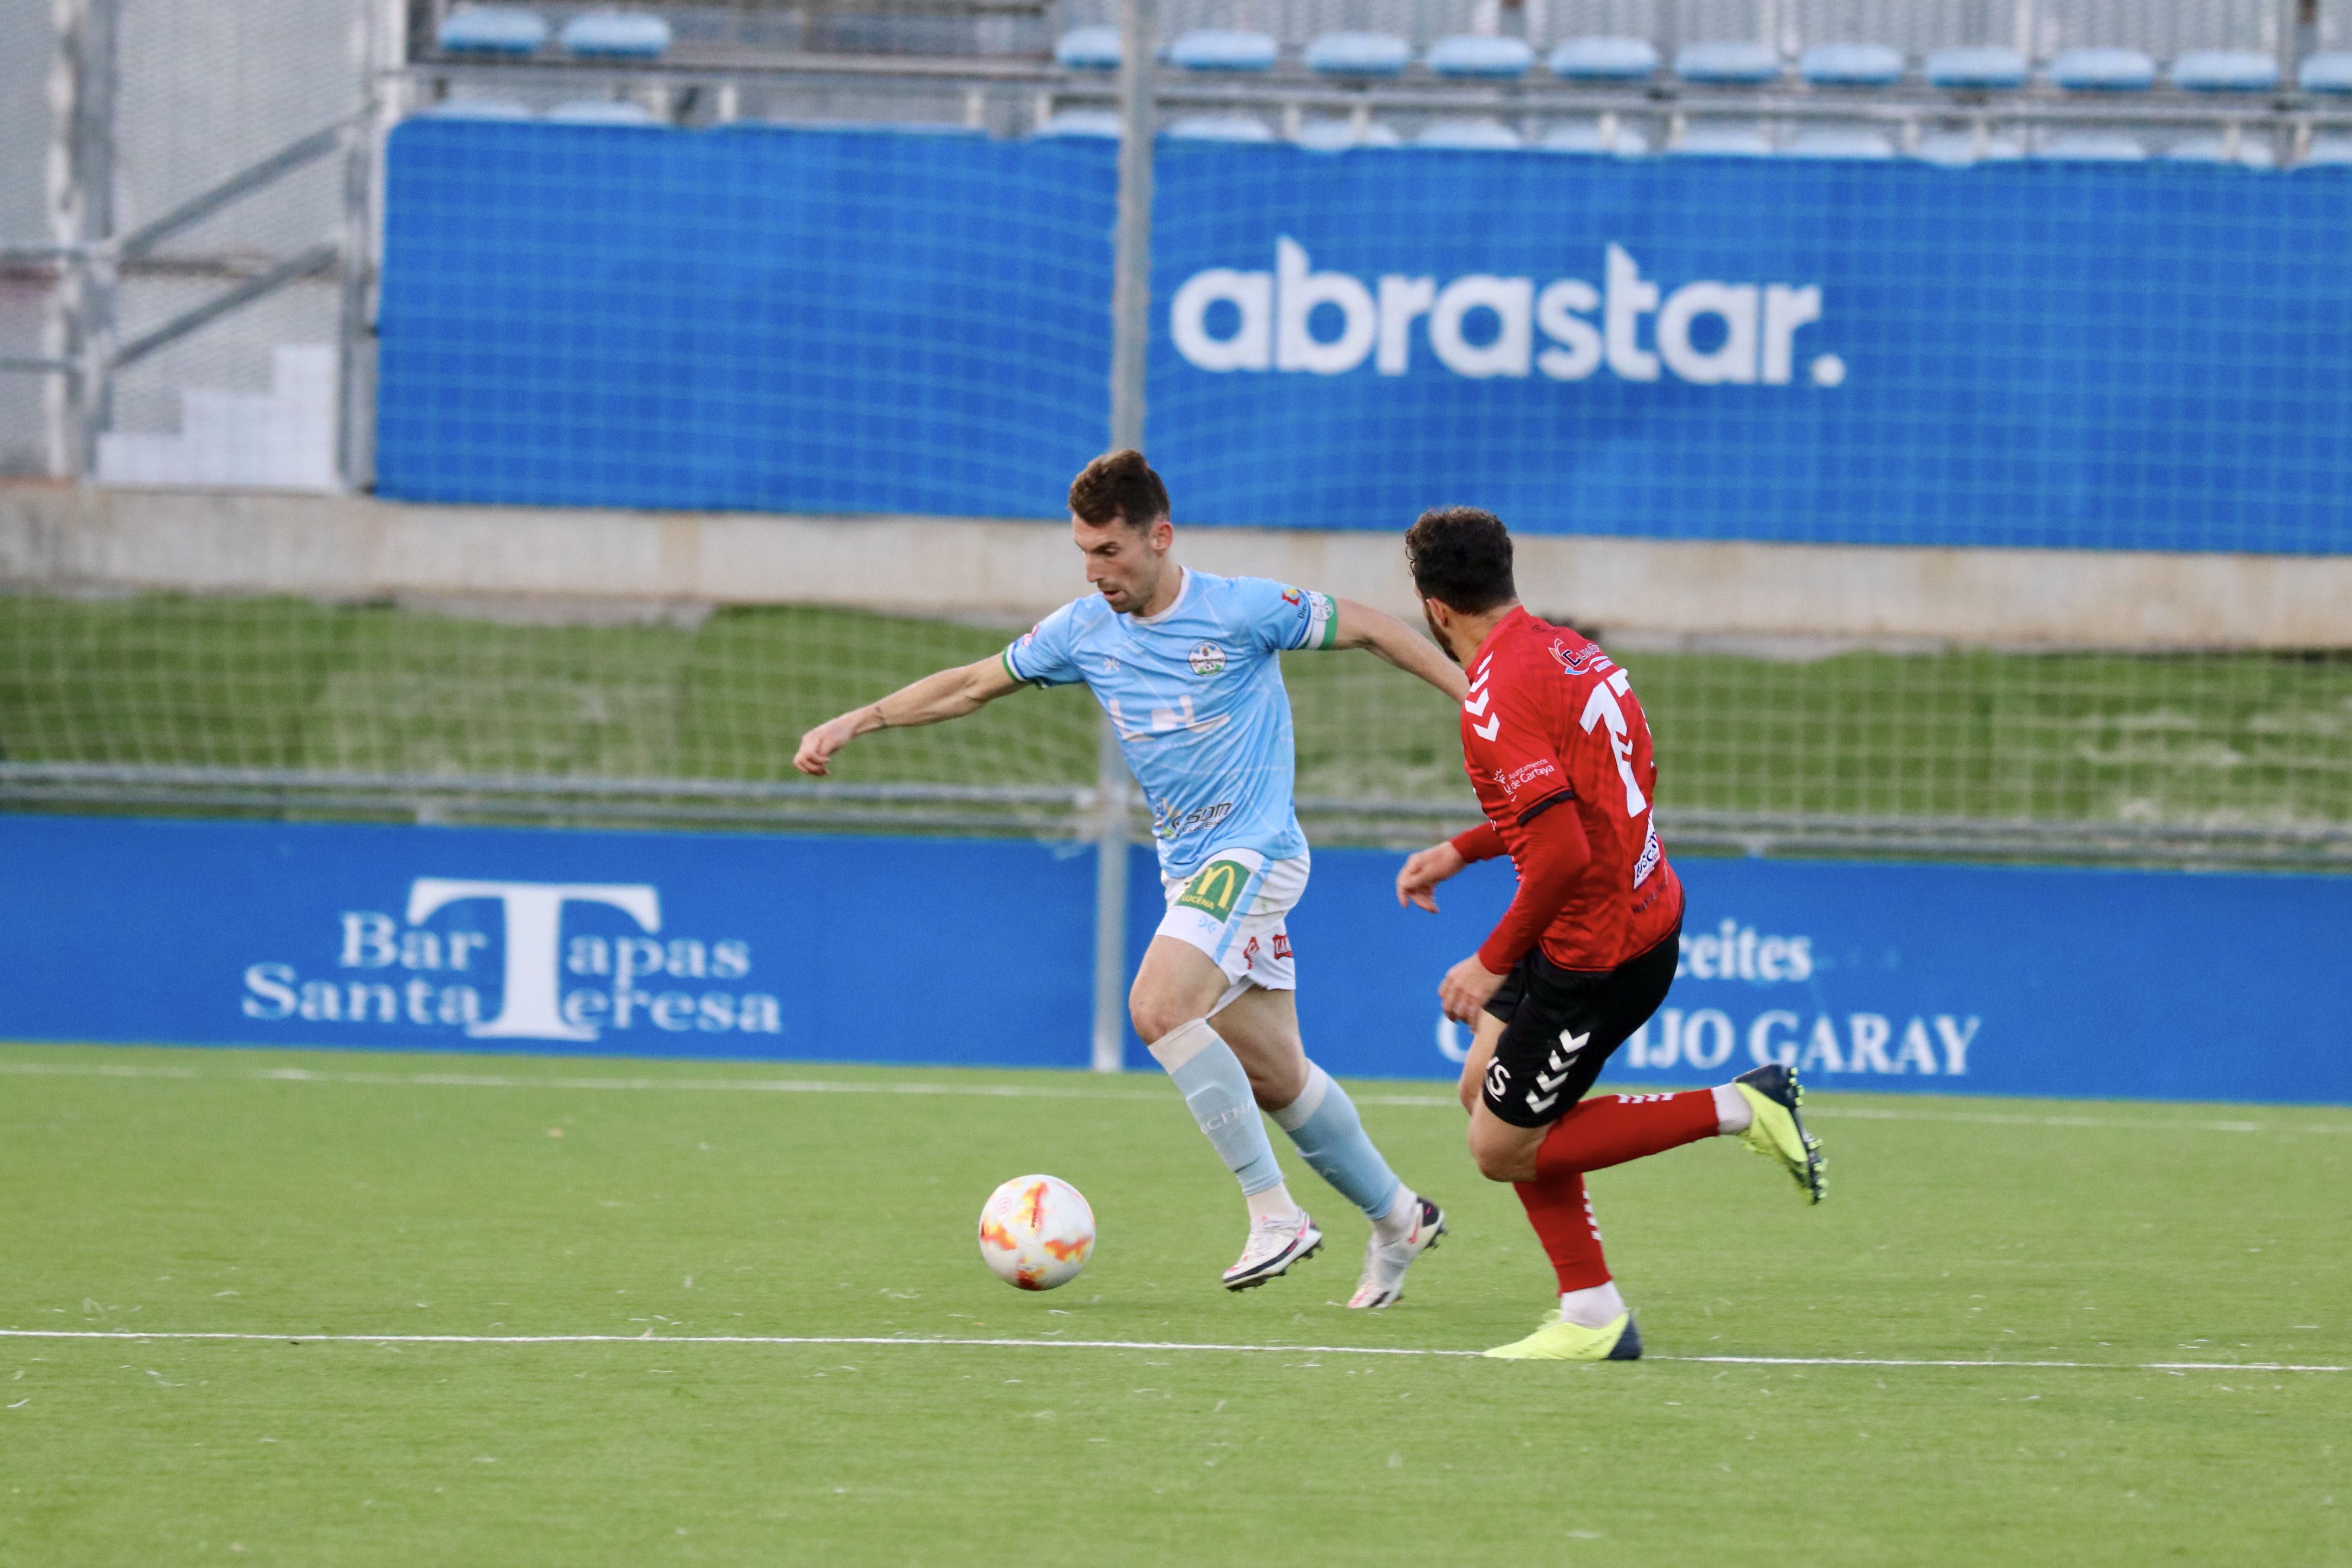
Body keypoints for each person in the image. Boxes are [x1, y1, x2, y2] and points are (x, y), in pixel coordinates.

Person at [796, 450, 1462, 1305]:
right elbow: (972, 685)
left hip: (1253, 851)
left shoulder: (1242, 610)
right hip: (1192, 874)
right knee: (1276, 1077)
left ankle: (1275, 1214)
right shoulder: (1082, 630)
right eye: (1084, 552)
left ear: (1160, 537)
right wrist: (858, 720)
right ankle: (1399, 1215)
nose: (1095, 570)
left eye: (1110, 551)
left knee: (1156, 1007)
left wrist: (1474, 695)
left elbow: (1373, 625)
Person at [1392, 506, 1826, 1361]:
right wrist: (1462, 848)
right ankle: (1591, 1308)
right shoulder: (1571, 653)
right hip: (1634, 903)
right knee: (1485, 1084)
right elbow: (1581, 805)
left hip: (1597, 949)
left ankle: (1741, 1107)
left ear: (1435, 609)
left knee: (1498, 1146)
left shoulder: (1492, 696)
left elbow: (1558, 853)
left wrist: (1488, 962)